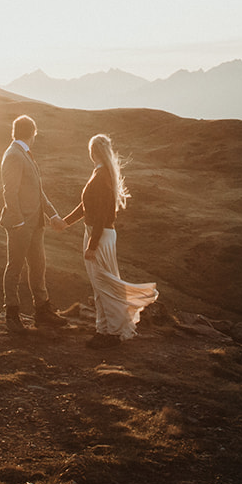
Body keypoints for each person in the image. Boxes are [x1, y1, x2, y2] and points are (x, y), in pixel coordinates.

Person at [60, 134, 158, 348]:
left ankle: (112, 333)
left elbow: (102, 215)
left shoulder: (101, 175)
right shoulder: (101, 173)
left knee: (105, 286)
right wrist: (65, 223)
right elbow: (86, 207)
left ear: (92, 151)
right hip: (98, 233)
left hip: (100, 235)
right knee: (100, 285)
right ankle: (102, 329)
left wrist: (92, 245)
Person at [0, 115, 67, 333]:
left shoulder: (23, 154)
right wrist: (18, 221)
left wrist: (52, 215)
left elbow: (37, 191)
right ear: (32, 133)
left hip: (35, 224)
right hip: (21, 224)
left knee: (38, 266)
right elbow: (9, 191)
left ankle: (42, 311)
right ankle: (12, 314)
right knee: (15, 268)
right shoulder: (14, 156)